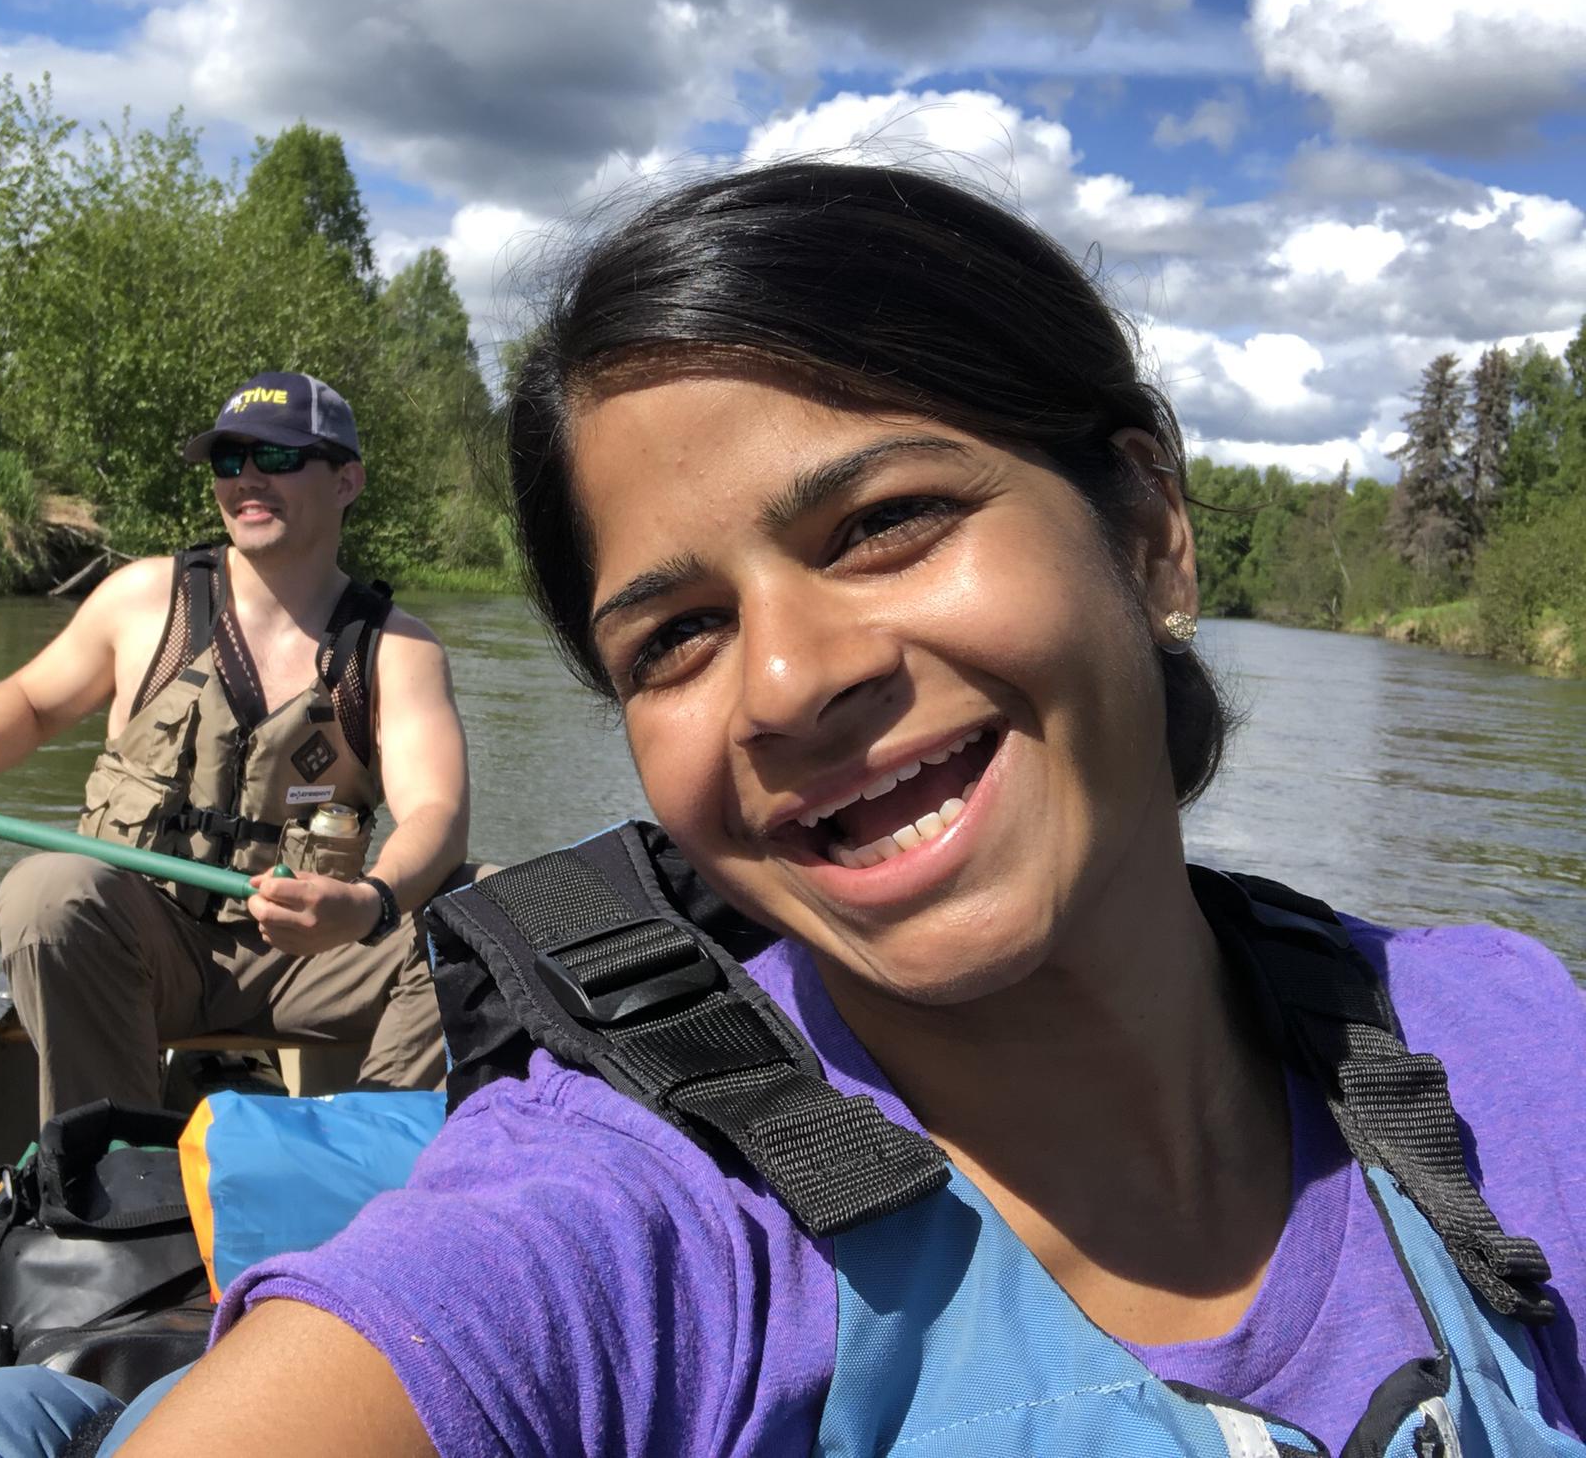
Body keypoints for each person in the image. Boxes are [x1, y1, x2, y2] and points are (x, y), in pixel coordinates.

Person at [107, 165, 1586, 1457]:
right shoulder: (627, 1226)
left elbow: (419, 817)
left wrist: (370, 895)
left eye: (885, 524)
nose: (789, 682)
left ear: (1147, 533)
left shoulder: (1516, 1042)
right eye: (674, 635)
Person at [0, 371, 475, 1120]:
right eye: (228, 460)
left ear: (346, 481)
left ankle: (366, 1163)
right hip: (146, 948)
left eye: (276, 459)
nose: (246, 478)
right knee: (47, 892)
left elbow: (437, 809)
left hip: (314, 955)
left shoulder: (396, 649)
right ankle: (112, 1173)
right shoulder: (145, 599)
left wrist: (366, 904)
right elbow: (32, 703)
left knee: (487, 907)